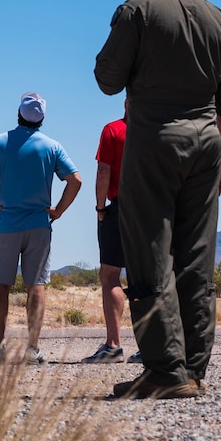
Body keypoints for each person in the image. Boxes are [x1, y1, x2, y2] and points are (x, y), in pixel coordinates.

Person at [94, 0, 221, 400]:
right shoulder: (219, 19)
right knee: (196, 258)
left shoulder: (137, 11)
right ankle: (193, 367)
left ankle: (164, 371)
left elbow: (107, 80)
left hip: (154, 143)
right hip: (207, 144)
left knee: (150, 256)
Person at [0, 93, 82, 364]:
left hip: (6, 223)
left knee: (1, 285)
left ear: (18, 113)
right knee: (36, 287)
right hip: (39, 225)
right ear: (41, 118)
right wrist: (58, 210)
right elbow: (75, 180)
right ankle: (32, 348)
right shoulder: (52, 146)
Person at [83, 116, 130, 364]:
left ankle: (114, 345)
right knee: (149, 275)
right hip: (154, 209)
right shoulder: (159, 129)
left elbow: (104, 171)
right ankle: (152, 344)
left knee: (111, 274)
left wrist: (100, 208)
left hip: (121, 207)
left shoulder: (114, 130)